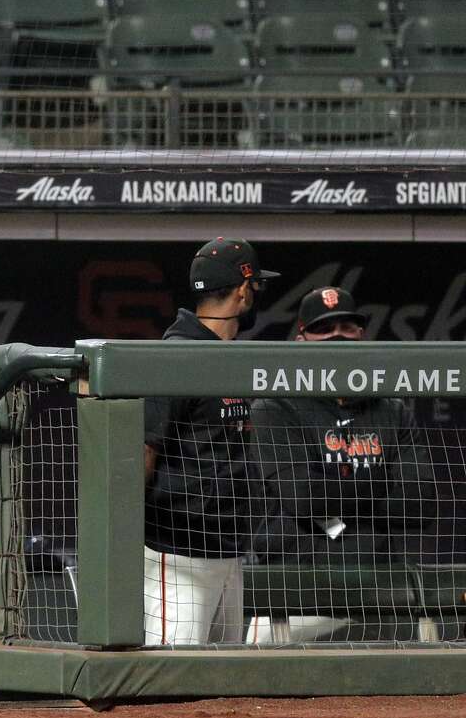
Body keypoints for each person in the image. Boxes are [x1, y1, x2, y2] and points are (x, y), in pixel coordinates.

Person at [246, 286, 435, 643]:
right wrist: (379, 486)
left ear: (362, 336)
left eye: (347, 327)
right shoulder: (276, 407)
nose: (337, 336)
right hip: (293, 586)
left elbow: (422, 502)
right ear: (300, 339)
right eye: (323, 328)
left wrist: (335, 492)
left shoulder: (390, 409)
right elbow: (302, 497)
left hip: (376, 582)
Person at [143, 237, 280, 646]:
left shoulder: (227, 354)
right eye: (255, 285)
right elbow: (142, 452)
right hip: (178, 554)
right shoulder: (178, 355)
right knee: (170, 681)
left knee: (225, 691)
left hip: (228, 551)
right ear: (243, 290)